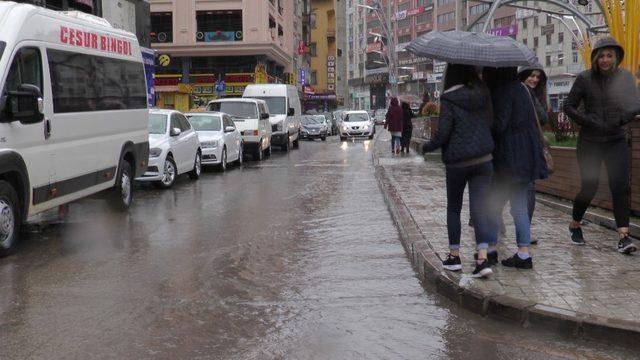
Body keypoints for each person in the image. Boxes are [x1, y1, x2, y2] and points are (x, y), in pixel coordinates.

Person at [564, 37, 640, 253]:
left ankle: (624, 237)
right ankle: (575, 224)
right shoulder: (585, 78)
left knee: (620, 187)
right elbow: (568, 106)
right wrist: (589, 121)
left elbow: (636, 103)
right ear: (595, 58)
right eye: (602, 56)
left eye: (609, 55)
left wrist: (621, 119)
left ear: (615, 57)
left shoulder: (624, 77)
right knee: (590, 187)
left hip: (616, 139)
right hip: (590, 142)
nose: (605, 60)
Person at [422, 64, 495, 278]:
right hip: (483, 160)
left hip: (457, 163)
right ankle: (482, 259)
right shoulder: (483, 93)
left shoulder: (449, 98)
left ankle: (454, 257)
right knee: (480, 208)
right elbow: (490, 123)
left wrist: (427, 146)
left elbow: (443, 133)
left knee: (454, 207)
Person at [483, 66, 549, 269]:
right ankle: (523, 254)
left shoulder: (503, 91)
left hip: (508, 158)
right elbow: (542, 118)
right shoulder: (524, 89)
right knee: (519, 208)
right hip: (526, 155)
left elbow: (500, 126)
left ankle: (492, 250)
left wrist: (486, 125)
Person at [518, 63, 549, 245]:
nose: (535, 79)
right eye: (531, 75)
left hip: (529, 146)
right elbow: (543, 118)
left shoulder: (534, 94)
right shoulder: (523, 93)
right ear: (523, 75)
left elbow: (542, 118)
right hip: (521, 147)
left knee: (525, 188)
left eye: (538, 77)